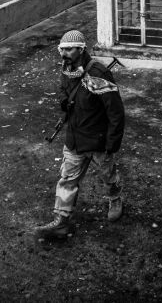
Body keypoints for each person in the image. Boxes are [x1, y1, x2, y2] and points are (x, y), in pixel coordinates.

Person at [34, 30, 126, 239]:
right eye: (62, 49)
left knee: (108, 176)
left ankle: (115, 198)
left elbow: (116, 111)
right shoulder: (67, 69)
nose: (64, 53)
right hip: (75, 138)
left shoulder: (98, 73)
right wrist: (64, 101)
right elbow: (63, 90)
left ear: (81, 49)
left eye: (69, 49)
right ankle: (61, 221)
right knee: (67, 179)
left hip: (98, 140)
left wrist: (112, 143)